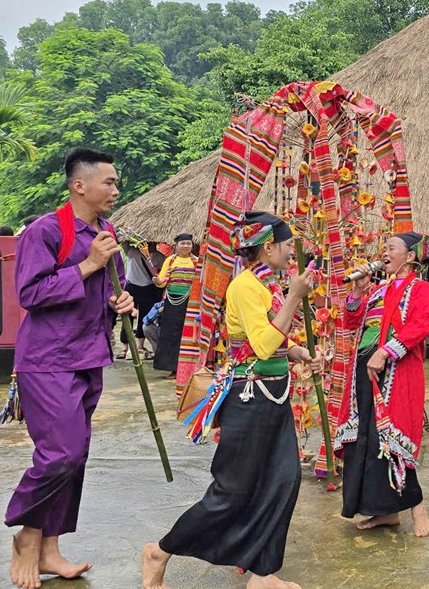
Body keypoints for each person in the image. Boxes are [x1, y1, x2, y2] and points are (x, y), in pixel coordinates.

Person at [141, 211, 317, 589]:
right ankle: (160, 551)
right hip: (249, 399)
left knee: (283, 482)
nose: (292, 252)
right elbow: (262, 344)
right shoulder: (245, 286)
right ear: (267, 247)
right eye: (287, 245)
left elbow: (270, 341)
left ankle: (263, 574)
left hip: (273, 397)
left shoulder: (268, 284)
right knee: (232, 493)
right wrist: (295, 297)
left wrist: (297, 352)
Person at [5, 148, 136, 589]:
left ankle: (50, 549)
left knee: (76, 455)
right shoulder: (44, 231)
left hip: (89, 354)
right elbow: (30, 293)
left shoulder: (106, 231)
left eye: (116, 182)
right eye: (109, 182)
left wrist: (121, 301)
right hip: (48, 359)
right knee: (59, 453)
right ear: (80, 186)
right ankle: (27, 535)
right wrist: (88, 264)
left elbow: (113, 285)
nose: (116, 190)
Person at [335, 231, 429, 537]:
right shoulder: (379, 290)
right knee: (367, 439)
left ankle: (417, 508)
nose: (384, 253)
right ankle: (386, 512)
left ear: (410, 256)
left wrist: (384, 352)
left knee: (393, 438)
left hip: (397, 371)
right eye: (383, 248)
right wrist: (358, 291)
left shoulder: (422, 289)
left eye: (391, 248)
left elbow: (419, 328)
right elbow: (352, 322)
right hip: (365, 370)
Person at [151, 234, 197, 377]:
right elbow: (163, 281)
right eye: (183, 243)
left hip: (190, 303)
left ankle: (188, 368)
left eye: (188, 243)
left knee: (187, 334)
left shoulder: (196, 261)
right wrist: (158, 282)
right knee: (170, 334)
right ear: (176, 245)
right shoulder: (170, 261)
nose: (186, 246)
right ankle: (172, 367)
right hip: (172, 303)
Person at [119, 237, 163, 361]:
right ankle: (131, 347)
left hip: (140, 287)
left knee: (136, 317)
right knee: (133, 316)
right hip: (142, 287)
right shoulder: (136, 252)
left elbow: (124, 244)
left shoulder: (134, 252)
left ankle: (131, 347)